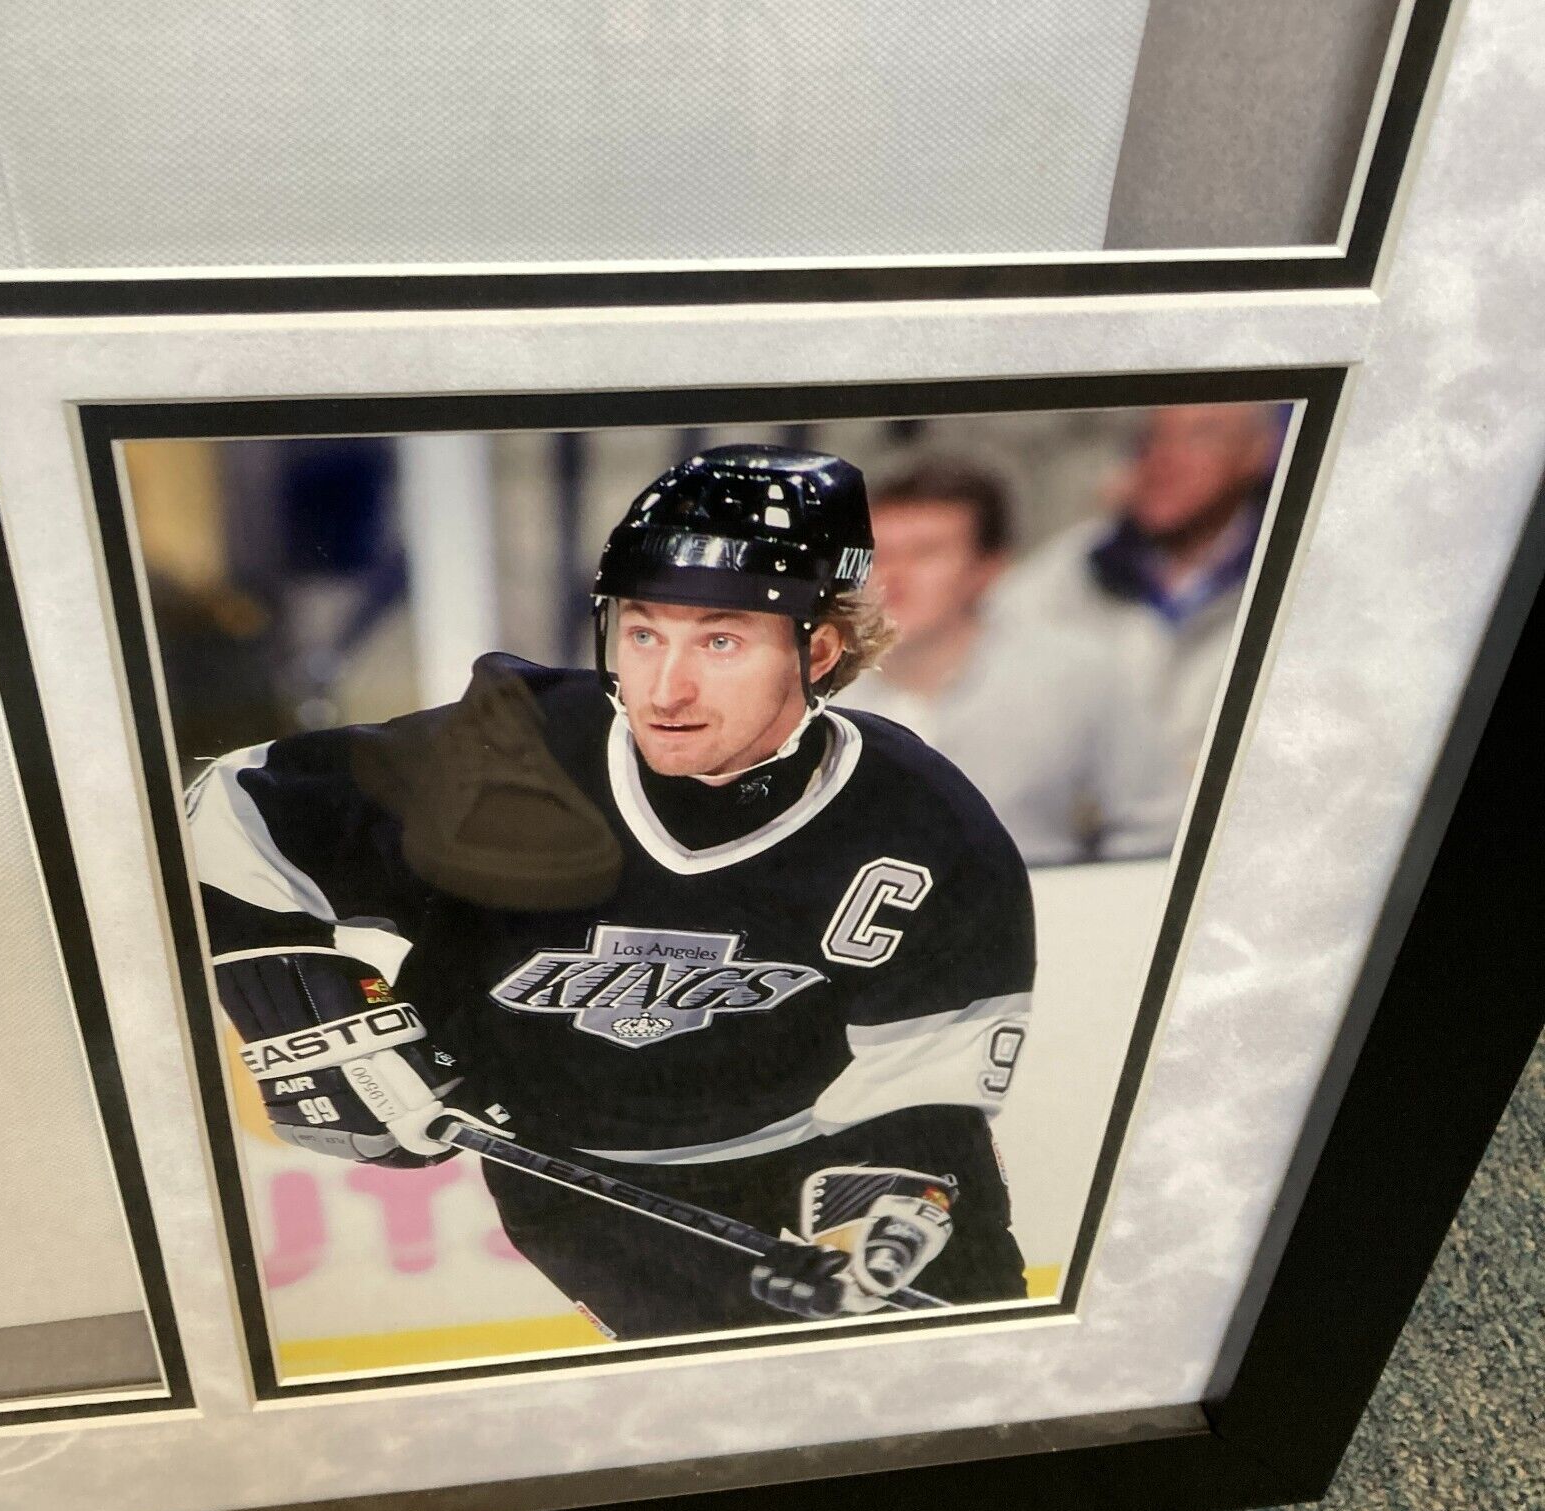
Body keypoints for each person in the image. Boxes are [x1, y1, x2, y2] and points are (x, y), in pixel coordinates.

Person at [189, 443, 1036, 1343]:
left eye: (720, 639)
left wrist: (879, 1225)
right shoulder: (505, 757)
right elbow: (222, 819)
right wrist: (301, 1014)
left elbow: (925, 1086)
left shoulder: (922, 823)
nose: (665, 689)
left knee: (984, 1394)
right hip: (586, 1186)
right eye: (643, 632)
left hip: (826, 1140)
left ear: (817, 650)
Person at [1000, 402, 1289, 859]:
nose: (1165, 459)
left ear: (1261, 453)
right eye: (1154, 438)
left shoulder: (1297, 578)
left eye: (1201, 436)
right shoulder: (1068, 569)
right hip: (1074, 852)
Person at [836, 459, 1119, 865]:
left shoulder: (1079, 678)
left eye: (925, 553)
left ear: (987, 569)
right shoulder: (806, 688)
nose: (894, 575)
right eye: (879, 554)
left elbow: (1152, 832)